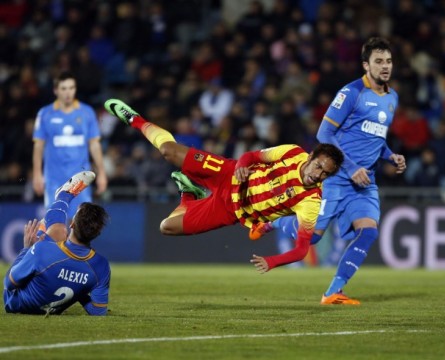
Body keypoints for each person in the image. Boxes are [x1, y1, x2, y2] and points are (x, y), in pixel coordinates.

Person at [103, 99, 344, 273]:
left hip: (231, 210)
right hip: (228, 174)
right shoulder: (292, 153)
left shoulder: (310, 202)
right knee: (168, 151)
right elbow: (252, 156)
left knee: (167, 227)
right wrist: (241, 165)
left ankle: (188, 195)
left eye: (326, 173)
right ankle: (134, 119)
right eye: (318, 166)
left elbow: (302, 250)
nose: (318, 174)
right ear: (311, 157)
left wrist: (272, 262)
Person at [251, 37, 407, 305]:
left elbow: (375, 138)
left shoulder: (392, 98)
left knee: (369, 231)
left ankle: (333, 291)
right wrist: (351, 166)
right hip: (336, 178)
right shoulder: (351, 93)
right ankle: (271, 222)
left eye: (389, 61)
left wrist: (390, 155)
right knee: (311, 238)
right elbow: (324, 132)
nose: (385, 66)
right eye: (378, 61)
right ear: (365, 65)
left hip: (364, 182)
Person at [4, 171, 111, 315]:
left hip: (16, 304)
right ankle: (63, 197)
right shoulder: (101, 266)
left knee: (55, 231)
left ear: (72, 224)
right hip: (53, 309)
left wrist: (27, 249)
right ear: (97, 234)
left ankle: (64, 196)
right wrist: (80, 289)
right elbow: (98, 311)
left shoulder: (42, 249)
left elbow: (9, 283)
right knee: (55, 236)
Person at [33, 71, 108, 219]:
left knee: (82, 222)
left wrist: (102, 173)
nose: (68, 93)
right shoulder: (45, 114)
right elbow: (38, 146)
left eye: (71, 88)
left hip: (80, 179)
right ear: (56, 90)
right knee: (55, 223)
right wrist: (37, 174)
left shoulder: (86, 113)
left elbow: (94, 145)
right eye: (64, 88)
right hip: (54, 179)